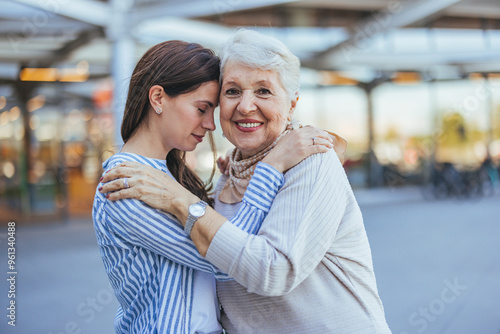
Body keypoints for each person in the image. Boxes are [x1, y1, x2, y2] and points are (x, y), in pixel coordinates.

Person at [101, 30, 391, 333]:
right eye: (232, 91)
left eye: (263, 91)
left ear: (291, 105)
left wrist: (182, 200)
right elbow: (220, 260)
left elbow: (269, 270)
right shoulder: (226, 176)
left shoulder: (311, 162)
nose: (245, 106)